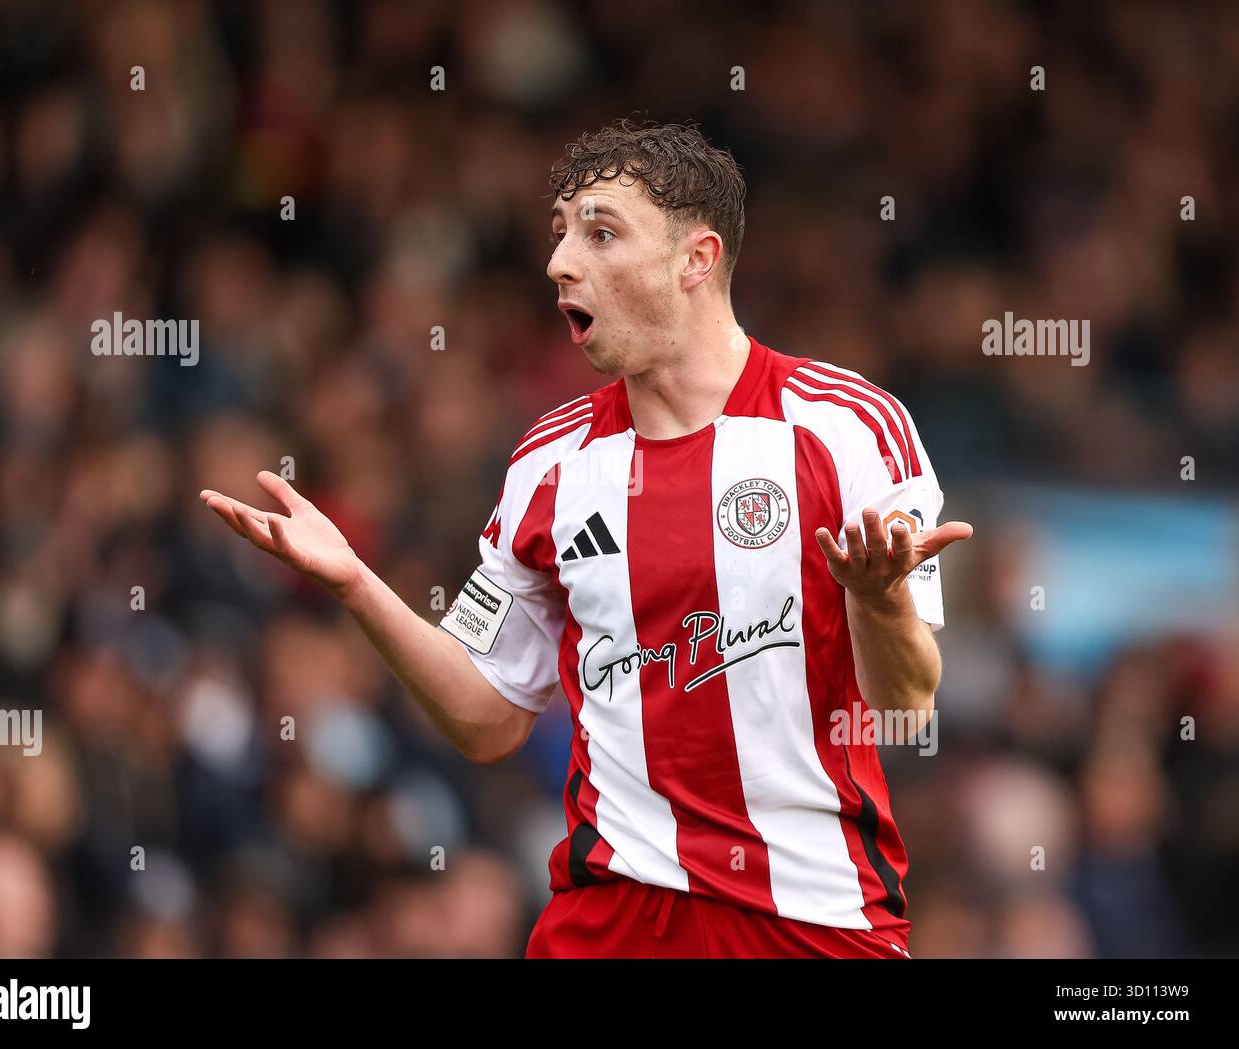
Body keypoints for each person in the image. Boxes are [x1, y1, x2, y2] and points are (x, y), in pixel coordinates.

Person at [200, 119, 973, 958]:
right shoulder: (551, 462)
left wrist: (877, 598)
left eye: (601, 233)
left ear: (697, 261)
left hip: (811, 919)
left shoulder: (849, 427)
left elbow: (904, 709)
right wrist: (356, 582)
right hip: (611, 920)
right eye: (560, 235)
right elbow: (488, 717)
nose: (560, 263)